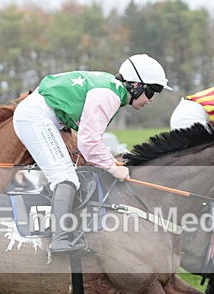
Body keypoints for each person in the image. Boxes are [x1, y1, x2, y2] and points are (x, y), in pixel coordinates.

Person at [13, 53, 171, 254]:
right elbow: (89, 141)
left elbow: (87, 138)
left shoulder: (112, 90)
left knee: (69, 174)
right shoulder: (110, 95)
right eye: (152, 91)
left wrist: (108, 162)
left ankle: (66, 231)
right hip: (36, 117)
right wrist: (113, 167)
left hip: (45, 116)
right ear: (136, 85)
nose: (151, 99)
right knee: (65, 177)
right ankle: (59, 240)